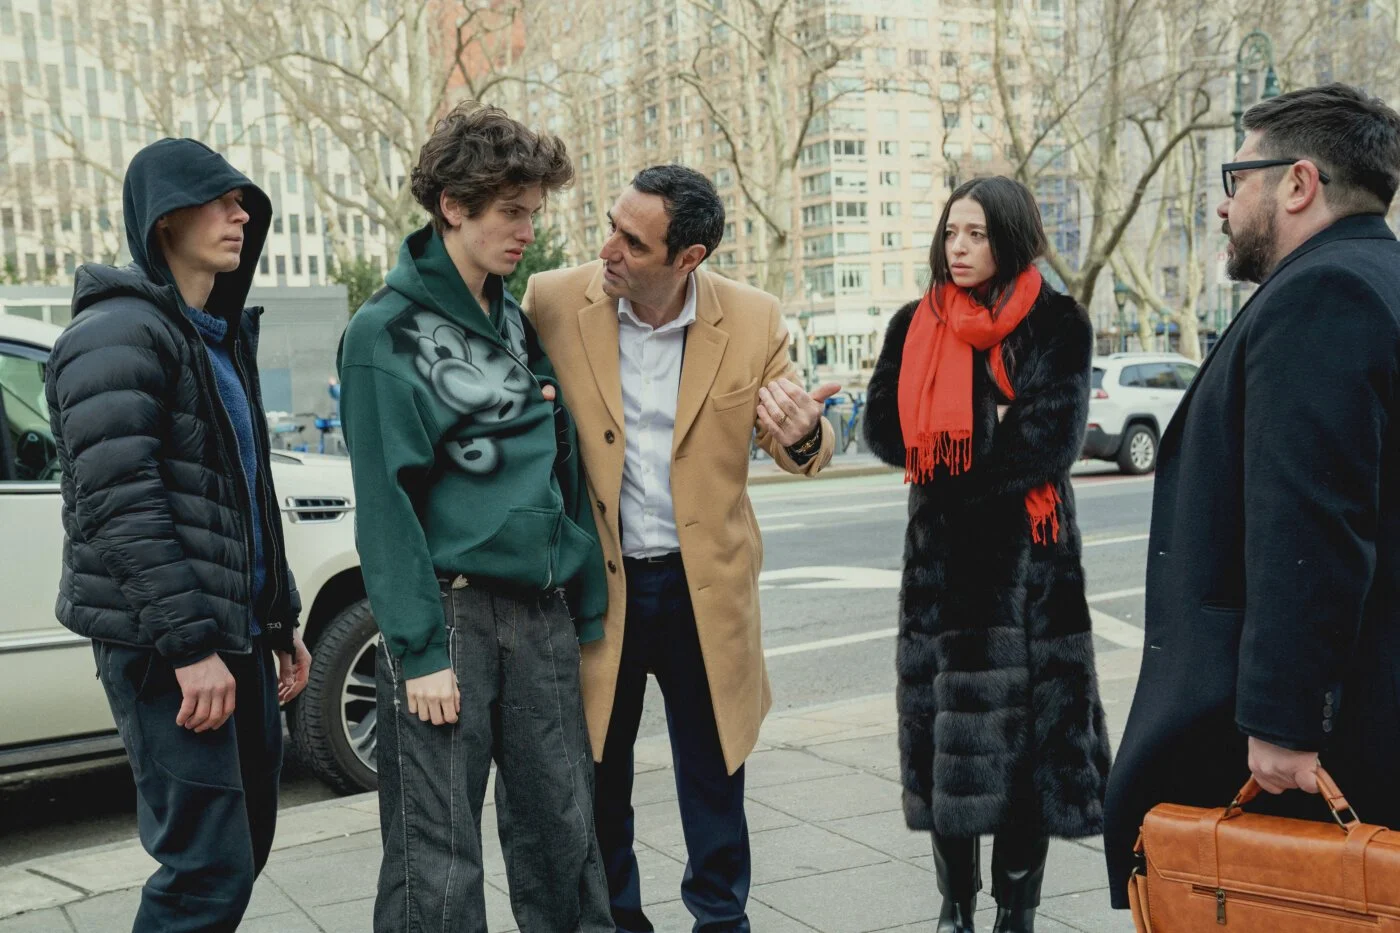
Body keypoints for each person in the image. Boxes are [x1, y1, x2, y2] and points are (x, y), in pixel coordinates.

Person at [1104, 83, 1400, 908]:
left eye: (1237, 179)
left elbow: (1311, 524)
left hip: (1321, 736)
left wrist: (1283, 721)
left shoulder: (1322, 294)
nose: (1225, 205)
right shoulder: (1382, 276)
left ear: (1298, 184)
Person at [522, 164, 836, 932]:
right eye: (610, 224)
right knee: (600, 776)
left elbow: (801, 437)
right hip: (602, 590)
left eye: (633, 239)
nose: (609, 248)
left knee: (714, 776)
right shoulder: (553, 301)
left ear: (687, 258)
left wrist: (804, 435)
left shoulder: (754, 319)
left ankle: (720, 918)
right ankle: (618, 920)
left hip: (706, 593)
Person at [337, 102, 613, 933]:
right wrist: (418, 650)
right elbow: (385, 508)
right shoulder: (383, 332)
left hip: (540, 617)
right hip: (449, 620)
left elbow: (557, 466)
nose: (527, 229)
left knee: (565, 837)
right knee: (437, 861)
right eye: (510, 211)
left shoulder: (513, 322)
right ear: (453, 205)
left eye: (534, 211)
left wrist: (585, 590)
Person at [44, 138, 312, 933]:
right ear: (165, 219)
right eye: (222, 200)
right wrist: (190, 647)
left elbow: (242, 496)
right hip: (167, 643)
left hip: (234, 632)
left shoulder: (214, 336)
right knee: (204, 865)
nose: (241, 215)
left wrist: (279, 618)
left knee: (247, 840)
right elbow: (119, 504)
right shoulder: (117, 333)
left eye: (246, 205)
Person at [862, 176, 1111, 933]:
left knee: (1031, 744)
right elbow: (881, 429)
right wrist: (988, 423)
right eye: (950, 234)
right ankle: (955, 905)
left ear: (1009, 237)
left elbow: (1050, 440)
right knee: (947, 741)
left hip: (1030, 568)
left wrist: (958, 446)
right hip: (941, 569)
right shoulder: (915, 324)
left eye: (975, 234)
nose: (959, 248)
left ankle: (1018, 908)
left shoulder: (1057, 322)